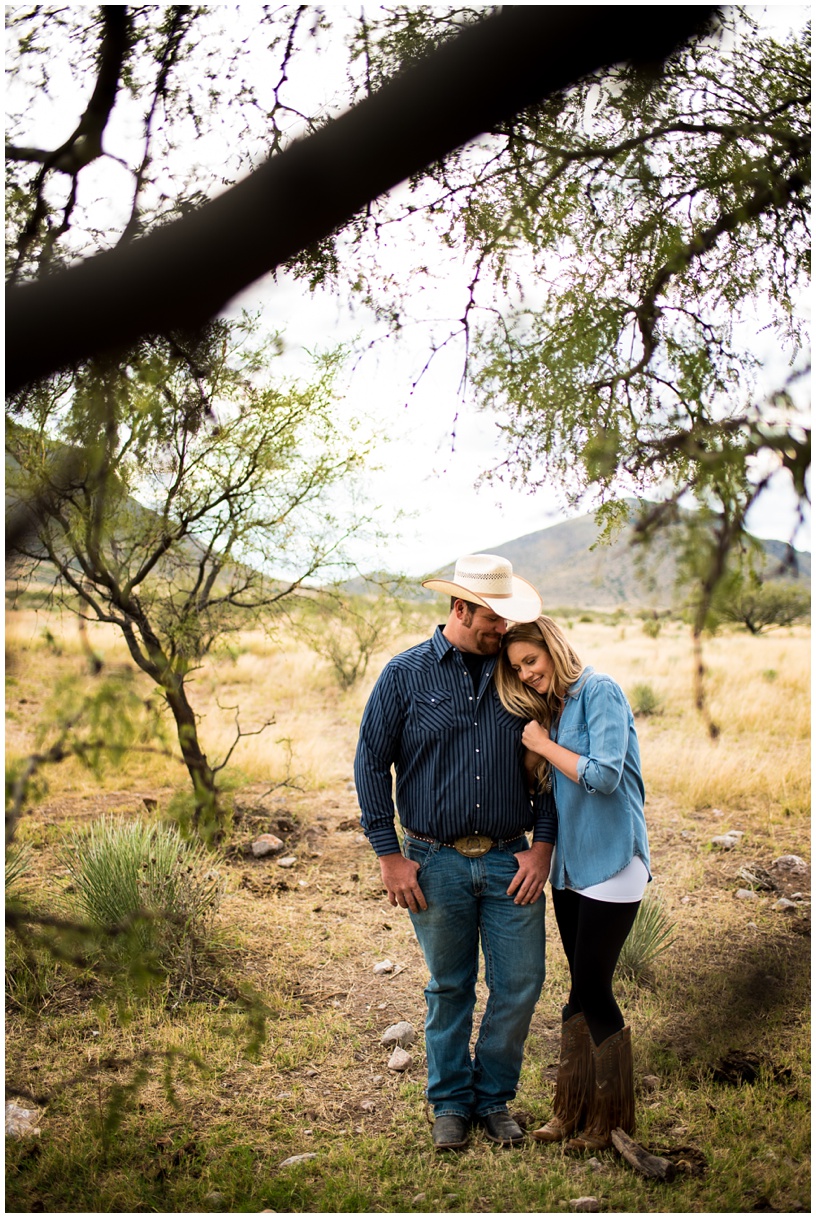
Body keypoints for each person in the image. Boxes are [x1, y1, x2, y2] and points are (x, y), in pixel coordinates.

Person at [354, 554, 556, 1152]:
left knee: (520, 982)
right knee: (449, 986)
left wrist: (542, 846)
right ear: (460, 609)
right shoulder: (404, 675)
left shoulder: (515, 675)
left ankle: (493, 1098)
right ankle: (449, 1101)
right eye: (494, 619)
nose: (503, 631)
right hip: (433, 860)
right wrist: (389, 855)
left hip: (509, 858)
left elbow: (544, 764)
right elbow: (370, 763)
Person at [495, 615, 650, 1152]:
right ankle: (571, 1110)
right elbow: (546, 785)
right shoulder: (552, 711)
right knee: (577, 994)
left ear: (554, 649)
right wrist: (535, 746)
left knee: (594, 989)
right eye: (517, 669)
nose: (527, 674)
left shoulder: (599, 690)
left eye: (531, 661)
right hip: (570, 867)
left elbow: (605, 776)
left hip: (613, 862)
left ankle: (610, 1123)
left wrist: (542, 741)